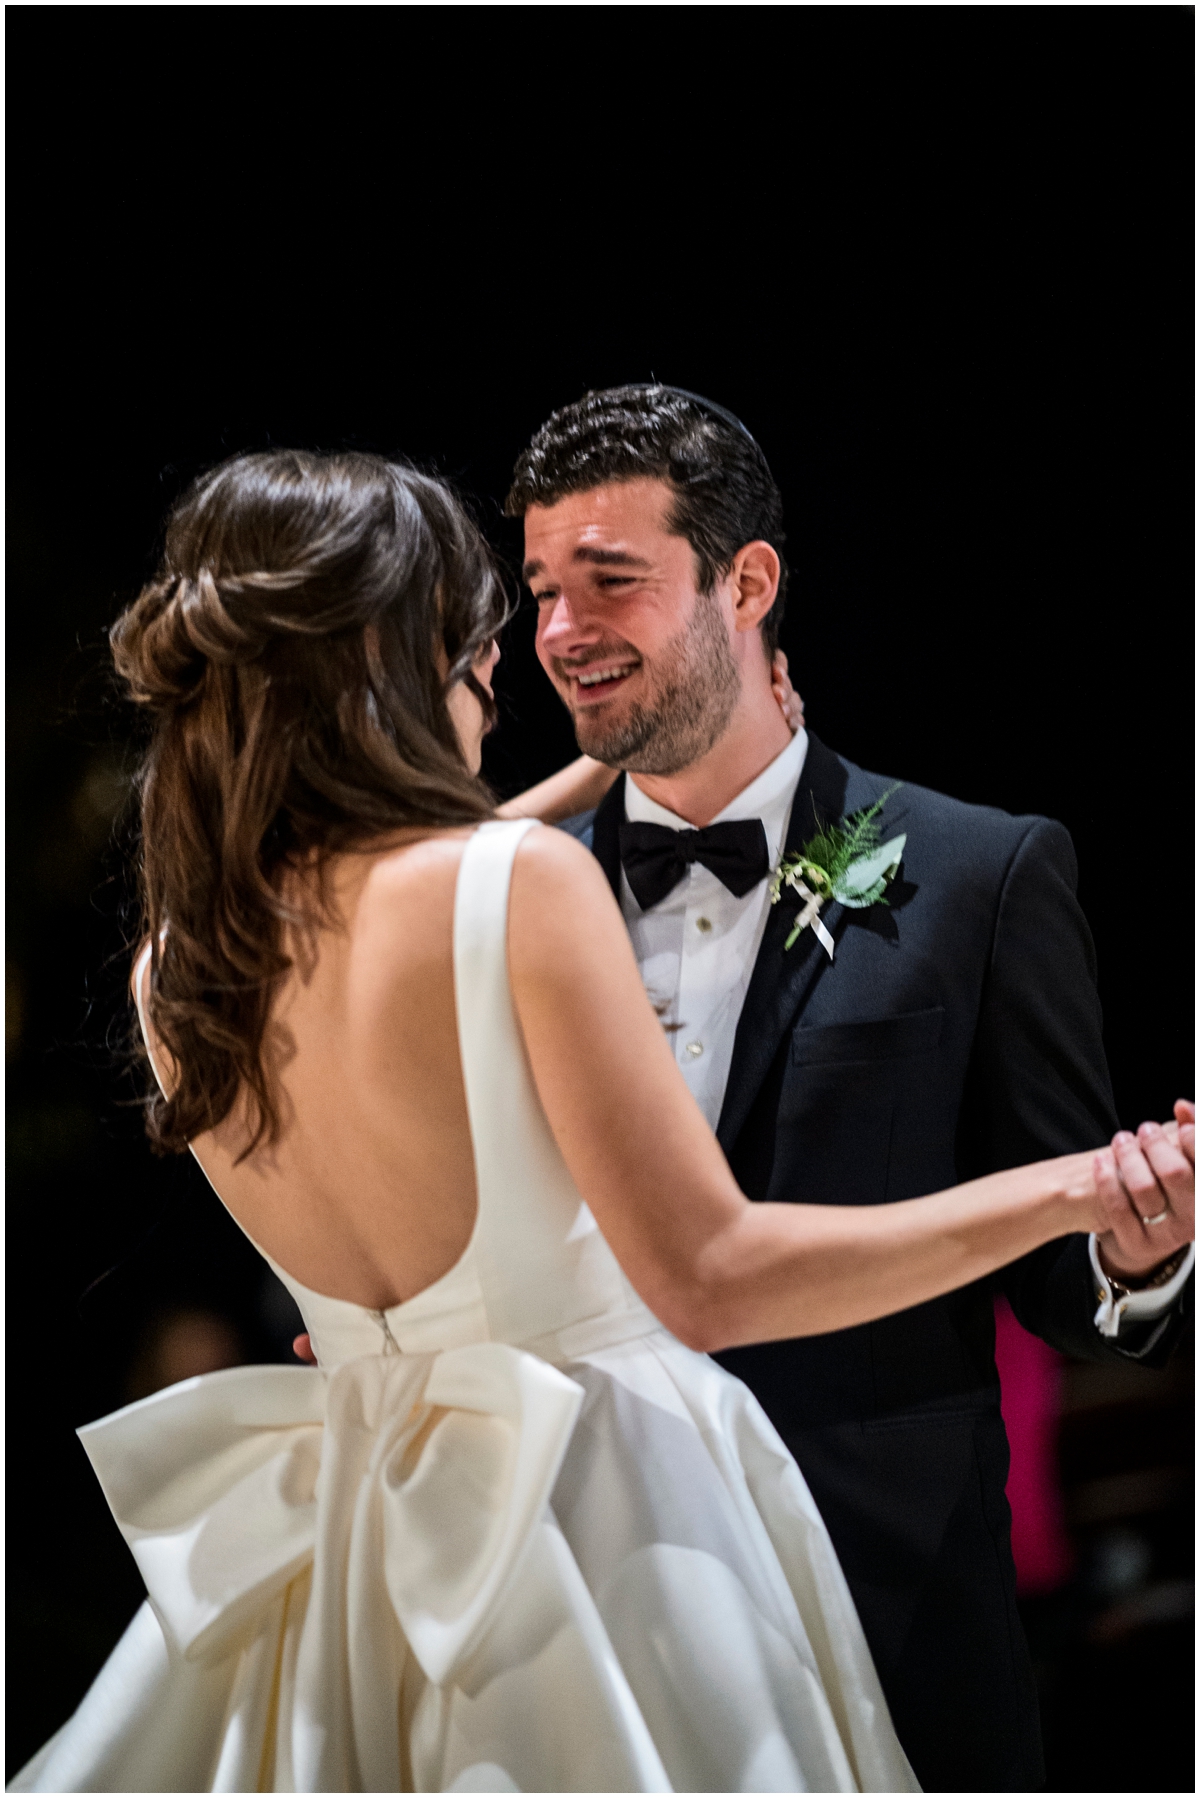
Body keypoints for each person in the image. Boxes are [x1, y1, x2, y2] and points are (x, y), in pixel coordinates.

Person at [11, 450, 1190, 1796]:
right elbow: (708, 1272)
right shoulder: (517, 886)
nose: (500, 671)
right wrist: (1079, 1187)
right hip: (610, 1538)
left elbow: (371, 915)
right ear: (393, 665)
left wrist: (581, 786)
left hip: (357, 1564)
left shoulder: (182, 966)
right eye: (475, 638)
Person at [500, 384, 1197, 1792]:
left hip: (884, 1598)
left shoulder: (983, 876)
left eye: (609, 581)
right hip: (564, 1610)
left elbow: (1067, 1286)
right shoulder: (499, 901)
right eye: (541, 591)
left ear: (746, 580)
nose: (562, 633)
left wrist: (1139, 1252)